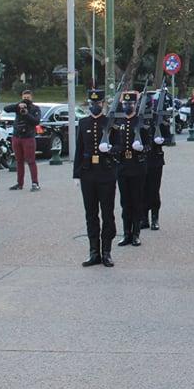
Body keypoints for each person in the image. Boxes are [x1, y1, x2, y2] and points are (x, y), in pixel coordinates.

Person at [73, 89, 117, 267]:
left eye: (97, 104)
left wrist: (111, 148)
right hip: (88, 173)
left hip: (106, 172)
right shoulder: (83, 123)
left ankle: (106, 251)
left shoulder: (110, 123)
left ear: (102, 104)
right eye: (92, 104)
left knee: (107, 213)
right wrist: (76, 174)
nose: (94, 106)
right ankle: (94, 252)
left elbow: (120, 146)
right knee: (91, 214)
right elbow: (78, 150)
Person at [106, 91, 150, 247]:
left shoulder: (140, 121)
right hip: (123, 166)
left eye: (130, 104)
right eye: (125, 104)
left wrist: (141, 148)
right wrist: (112, 149)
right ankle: (126, 234)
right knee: (125, 202)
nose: (127, 106)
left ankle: (136, 234)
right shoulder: (118, 121)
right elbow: (113, 143)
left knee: (137, 201)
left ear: (135, 105)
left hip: (137, 166)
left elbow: (149, 145)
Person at [141, 89, 170, 231]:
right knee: (142, 190)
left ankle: (155, 218)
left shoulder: (159, 118)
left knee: (153, 190)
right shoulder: (138, 119)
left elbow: (169, 138)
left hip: (156, 160)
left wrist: (162, 139)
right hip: (141, 159)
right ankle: (143, 218)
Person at [4, 90, 41, 191]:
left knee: (31, 161)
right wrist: (18, 105)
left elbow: (36, 121)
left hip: (28, 137)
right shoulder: (18, 107)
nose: (26, 100)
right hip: (17, 136)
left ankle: (35, 183)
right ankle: (19, 183)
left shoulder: (35, 108)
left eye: (28, 98)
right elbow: (6, 109)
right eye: (24, 97)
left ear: (31, 98)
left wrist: (27, 113)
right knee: (19, 161)